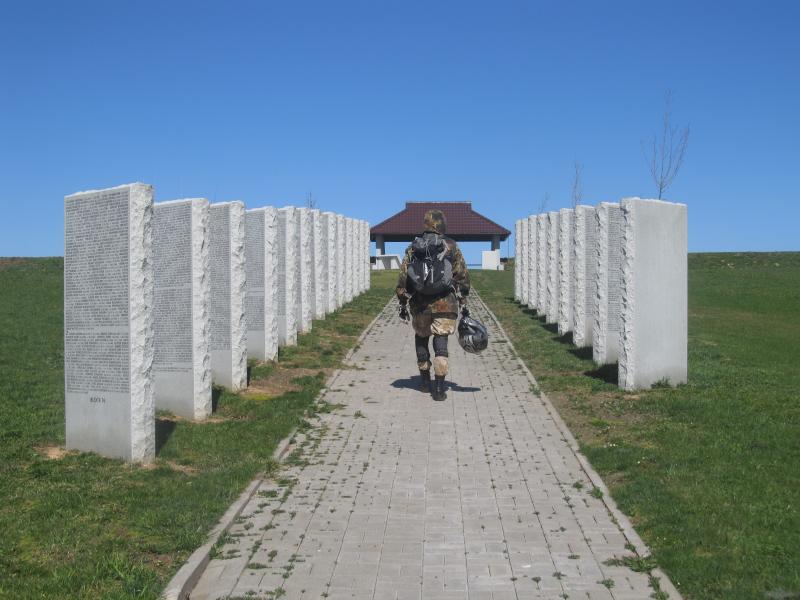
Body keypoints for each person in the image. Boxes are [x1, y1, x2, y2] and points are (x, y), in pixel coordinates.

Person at [396, 209, 470, 400]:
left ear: (425, 224)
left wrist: (403, 303)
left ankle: (424, 382)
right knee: (441, 342)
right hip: (446, 304)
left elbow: (403, 278)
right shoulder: (451, 246)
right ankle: (439, 388)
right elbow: (462, 276)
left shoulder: (413, 248)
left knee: (421, 338)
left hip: (420, 305)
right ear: (442, 224)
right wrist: (463, 300)